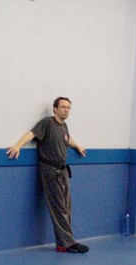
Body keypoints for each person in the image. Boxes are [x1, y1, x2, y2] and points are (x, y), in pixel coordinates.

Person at [6, 97, 89, 253]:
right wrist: (18, 145)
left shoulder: (64, 126)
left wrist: (77, 145)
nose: (66, 110)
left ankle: (63, 243)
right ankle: (67, 243)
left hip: (62, 170)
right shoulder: (47, 123)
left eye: (69, 107)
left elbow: (67, 138)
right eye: (63, 107)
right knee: (59, 207)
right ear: (55, 109)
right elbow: (32, 133)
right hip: (50, 170)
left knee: (66, 206)